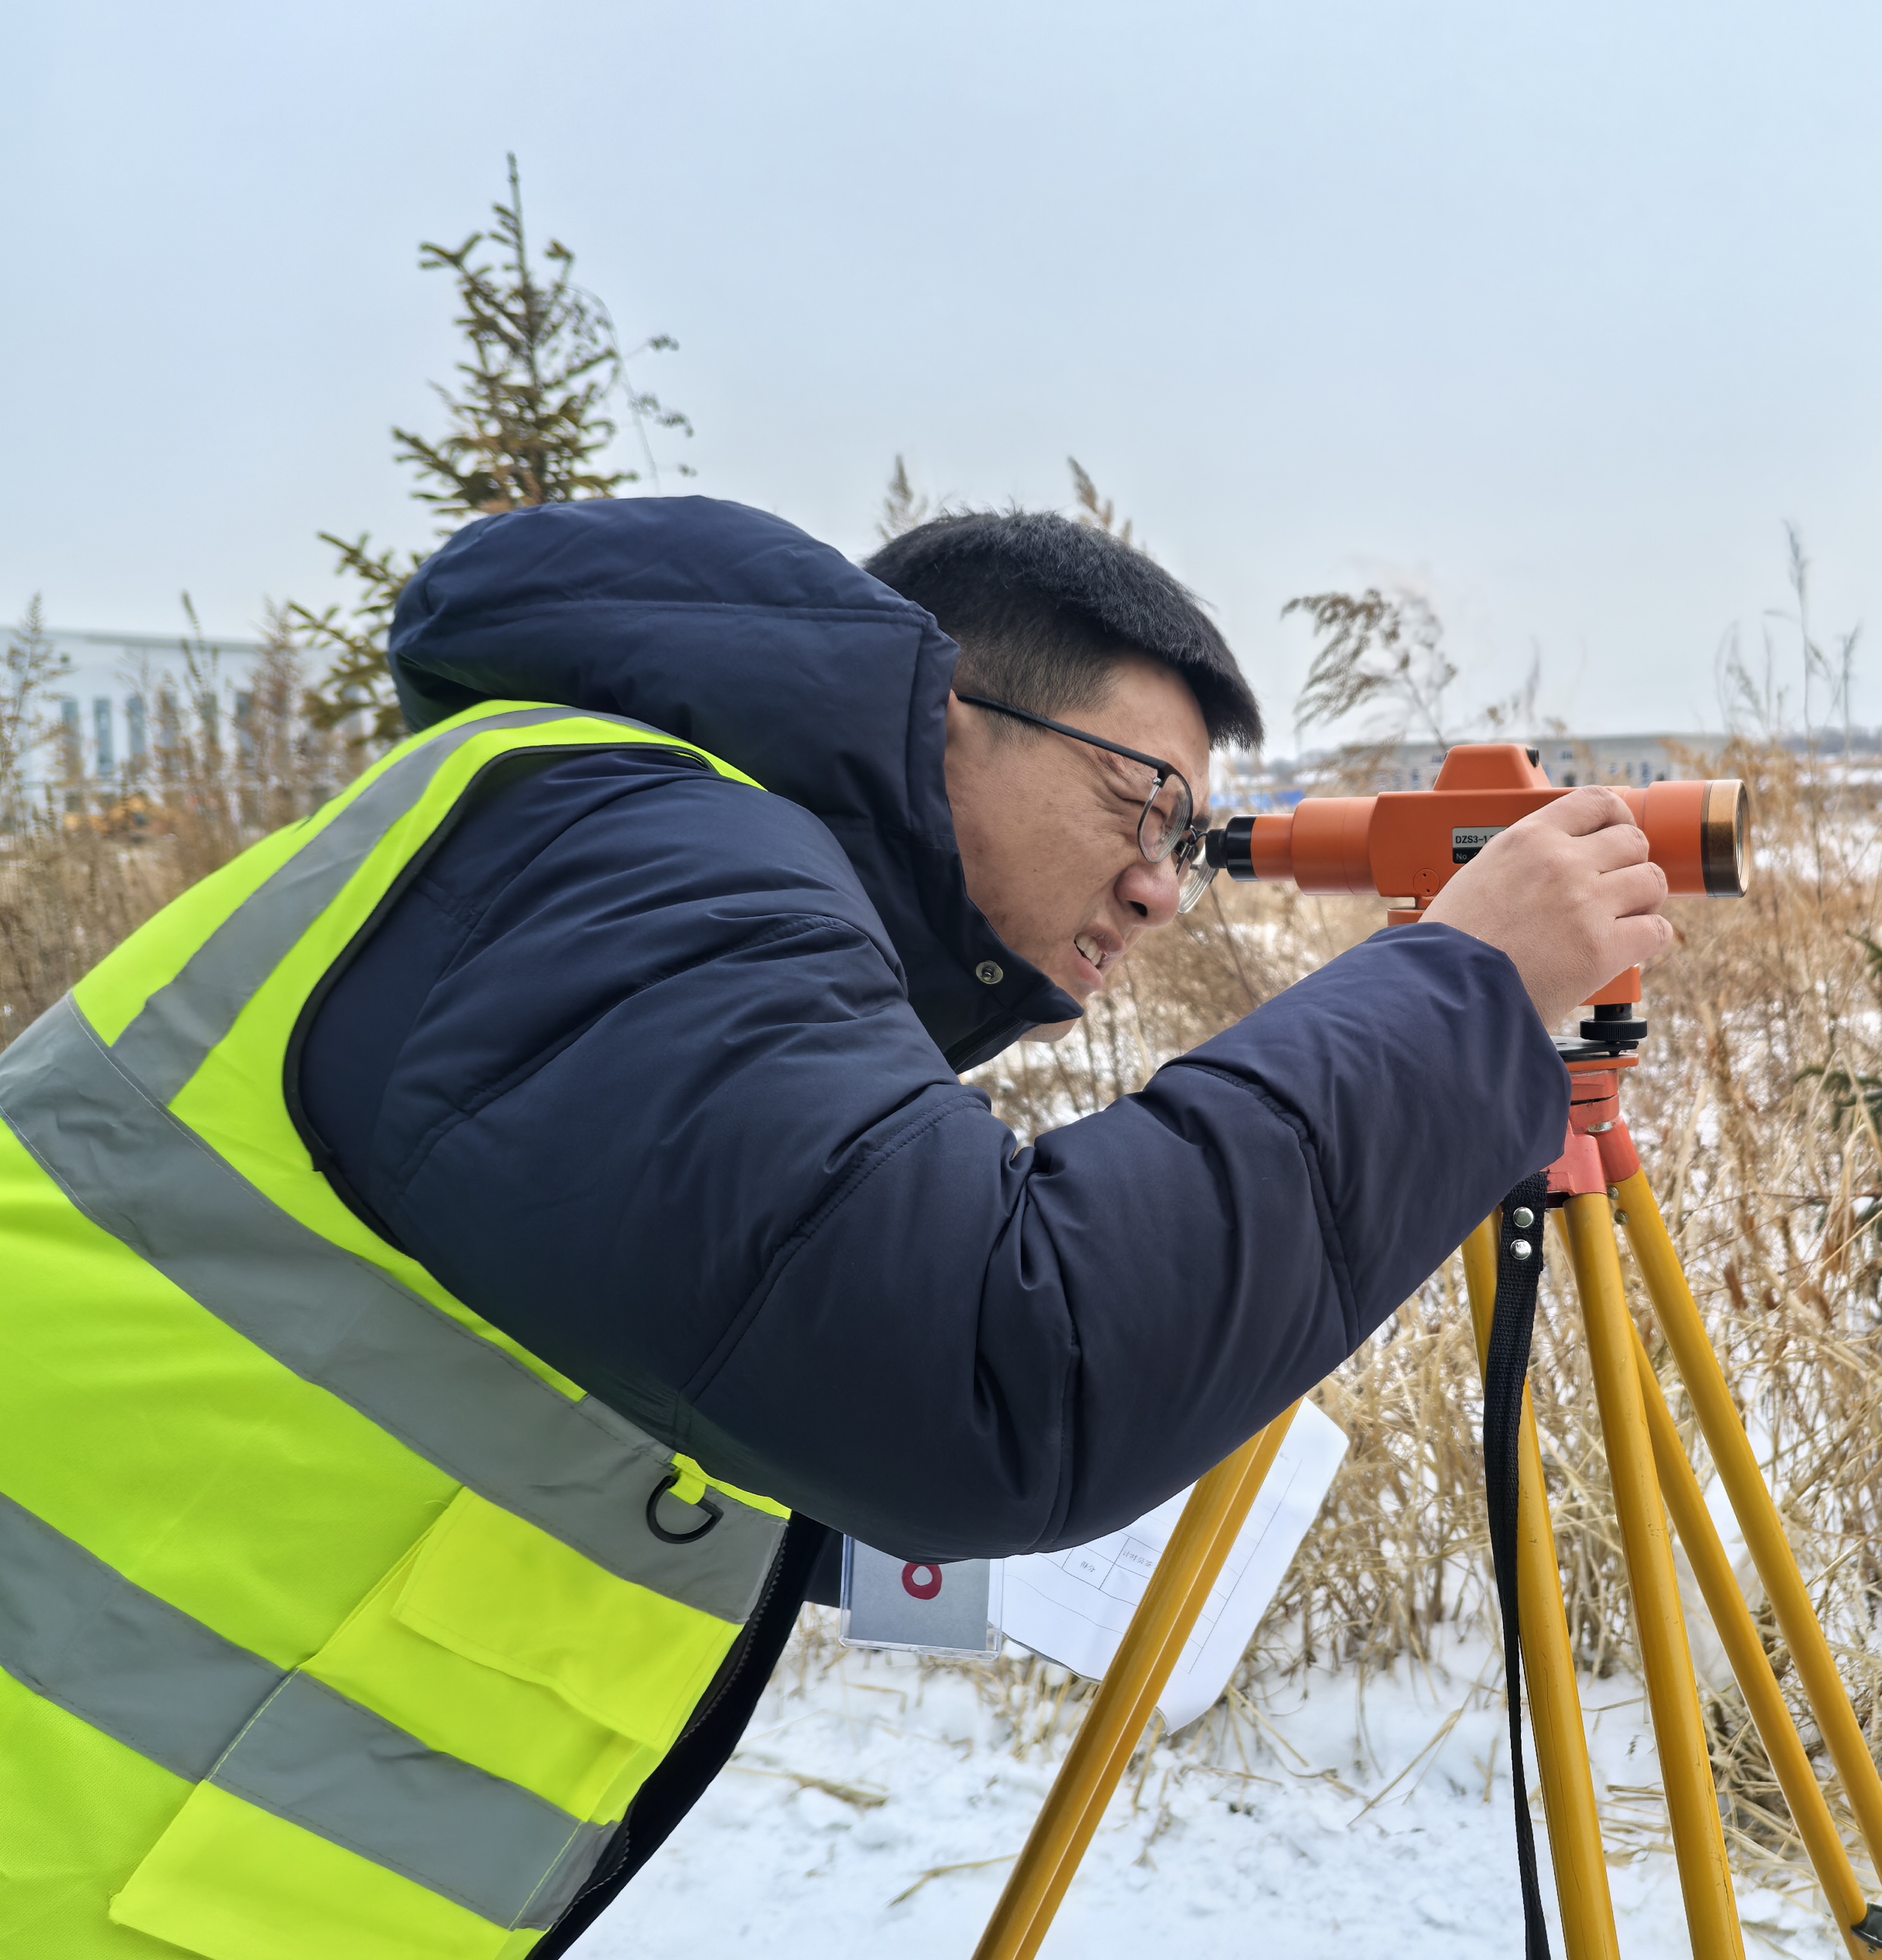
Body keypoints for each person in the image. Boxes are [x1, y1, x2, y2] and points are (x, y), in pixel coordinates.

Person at [0, 495, 1671, 1958]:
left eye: (1191, 843)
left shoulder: (654, 876)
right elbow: (989, 1374)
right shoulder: (625, 856)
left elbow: (564, 1369)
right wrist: (1461, 994)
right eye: (1138, 800)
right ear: (946, 713)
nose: (1164, 886)